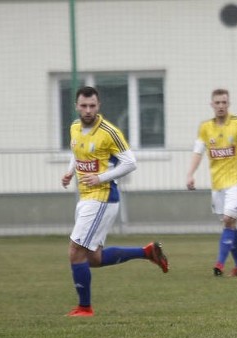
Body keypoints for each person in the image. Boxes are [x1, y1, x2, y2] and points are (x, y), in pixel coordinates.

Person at [61, 86, 169, 317]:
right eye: (84, 105)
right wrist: (70, 171)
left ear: (98, 106)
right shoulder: (74, 127)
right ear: (76, 106)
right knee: (93, 258)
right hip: (86, 197)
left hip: (102, 198)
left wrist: (100, 177)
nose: (88, 110)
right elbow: (76, 151)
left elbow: (130, 162)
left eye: (92, 106)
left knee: (75, 251)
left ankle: (85, 308)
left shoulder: (109, 132)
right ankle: (147, 252)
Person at [186, 88, 237, 277]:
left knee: (229, 220)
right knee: (230, 224)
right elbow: (198, 152)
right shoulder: (205, 127)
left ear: (228, 104)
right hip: (218, 184)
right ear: (212, 105)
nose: (221, 106)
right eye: (217, 103)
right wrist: (190, 174)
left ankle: (219, 264)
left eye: (224, 102)